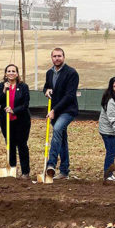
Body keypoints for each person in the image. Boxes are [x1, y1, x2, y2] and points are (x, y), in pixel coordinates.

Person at [43, 47, 79, 180]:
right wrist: (46, 90)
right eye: (54, 56)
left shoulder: (71, 73)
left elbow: (69, 96)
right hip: (55, 111)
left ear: (64, 57)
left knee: (57, 129)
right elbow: (47, 86)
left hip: (67, 110)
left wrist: (54, 110)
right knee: (62, 140)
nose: (57, 58)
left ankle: (51, 164)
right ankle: (64, 171)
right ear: (51, 58)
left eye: (59, 56)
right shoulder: (49, 73)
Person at [0, 64, 31, 179]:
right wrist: (4, 90)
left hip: (21, 120)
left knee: (22, 145)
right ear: (5, 73)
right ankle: (12, 169)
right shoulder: (1, 86)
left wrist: (13, 110)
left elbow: (25, 104)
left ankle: (25, 172)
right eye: (8, 71)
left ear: (17, 73)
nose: (11, 73)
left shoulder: (23, 86)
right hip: (6, 121)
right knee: (10, 144)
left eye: (13, 71)